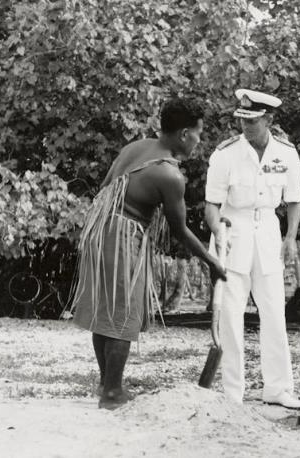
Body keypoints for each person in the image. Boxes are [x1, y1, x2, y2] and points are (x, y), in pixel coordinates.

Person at [70, 98, 226, 410]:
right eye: (198, 134)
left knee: (105, 313)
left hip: (98, 229)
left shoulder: (137, 146)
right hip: (122, 236)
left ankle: (106, 383)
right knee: (122, 317)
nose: (199, 141)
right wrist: (211, 261)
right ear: (184, 134)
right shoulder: (170, 176)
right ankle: (112, 393)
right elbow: (180, 231)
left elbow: (104, 187)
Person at [204, 89, 300, 409]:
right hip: (232, 234)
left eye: (254, 120)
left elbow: (294, 199)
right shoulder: (225, 154)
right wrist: (217, 232)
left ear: (270, 119)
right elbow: (211, 204)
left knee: (275, 313)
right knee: (230, 318)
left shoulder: (286, 154)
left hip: (268, 236)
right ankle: (233, 393)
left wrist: (291, 237)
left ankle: (278, 388)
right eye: (243, 120)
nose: (246, 126)